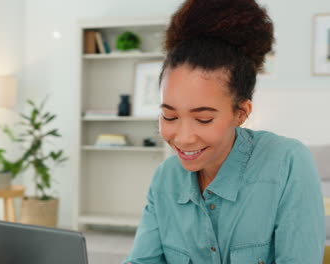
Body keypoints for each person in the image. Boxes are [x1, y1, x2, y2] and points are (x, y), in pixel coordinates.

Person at [123, 0, 325, 263]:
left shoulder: (287, 164)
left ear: (241, 113)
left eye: (203, 119)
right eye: (169, 116)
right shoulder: (165, 179)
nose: (183, 137)